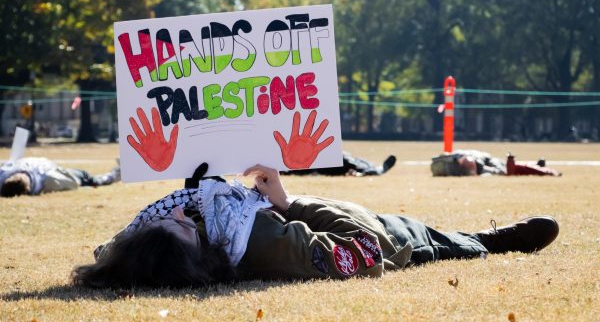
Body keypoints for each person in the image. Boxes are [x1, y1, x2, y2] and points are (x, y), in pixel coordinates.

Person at [72, 163, 559, 288]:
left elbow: (113, 250)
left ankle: (480, 237)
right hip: (380, 235)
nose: (178, 213)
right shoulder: (265, 245)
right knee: (430, 239)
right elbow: (368, 248)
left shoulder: (171, 231)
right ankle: (494, 241)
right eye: (180, 227)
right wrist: (285, 201)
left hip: (311, 211)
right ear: (196, 257)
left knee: (422, 229)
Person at [0, 157, 121, 197]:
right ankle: (112, 176)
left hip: (56, 170)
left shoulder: (4, 173)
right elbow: (73, 183)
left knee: (85, 176)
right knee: (88, 178)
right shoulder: (47, 181)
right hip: (61, 172)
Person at [431, 150, 561, 177]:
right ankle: (542, 168)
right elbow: (467, 161)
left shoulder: (443, 161)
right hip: (481, 162)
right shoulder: (446, 160)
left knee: (506, 168)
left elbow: (467, 161)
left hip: (481, 162)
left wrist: (473, 172)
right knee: (506, 169)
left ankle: (538, 166)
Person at [281, 152, 397, 176]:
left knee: (357, 161)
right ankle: (378, 170)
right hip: (338, 162)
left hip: (337, 159)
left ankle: (377, 169)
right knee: (355, 163)